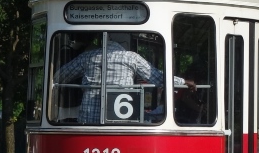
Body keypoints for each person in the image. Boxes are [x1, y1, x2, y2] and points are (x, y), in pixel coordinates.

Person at [55, 38, 190, 125]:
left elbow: (59, 77)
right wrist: (183, 82)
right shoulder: (131, 57)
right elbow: (158, 77)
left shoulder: (87, 56)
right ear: (122, 46)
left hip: (88, 121)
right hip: (121, 121)